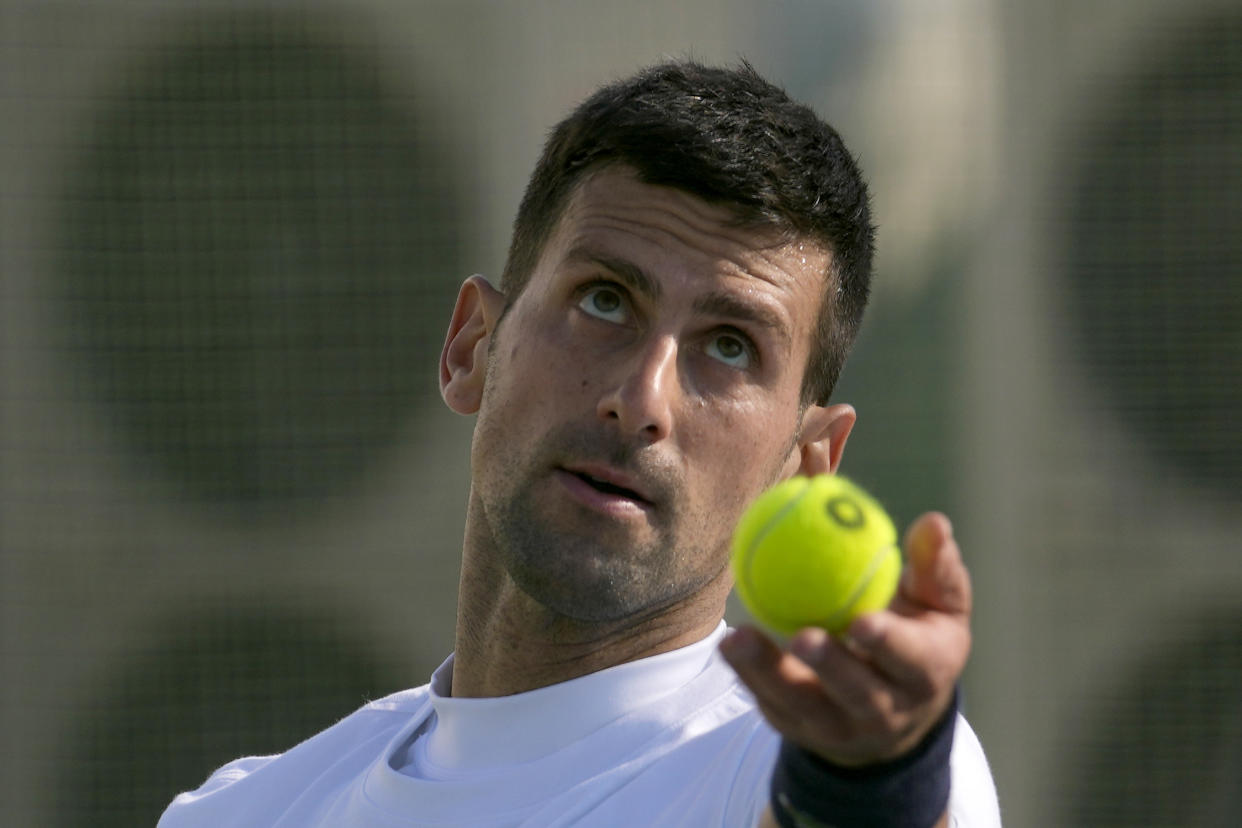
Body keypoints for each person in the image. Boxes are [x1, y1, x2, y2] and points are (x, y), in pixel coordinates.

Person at [159, 60, 1001, 827]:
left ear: (808, 463)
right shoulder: (238, 812)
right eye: (604, 301)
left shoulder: (804, 773)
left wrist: (866, 785)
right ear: (471, 349)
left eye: (731, 346)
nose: (642, 401)